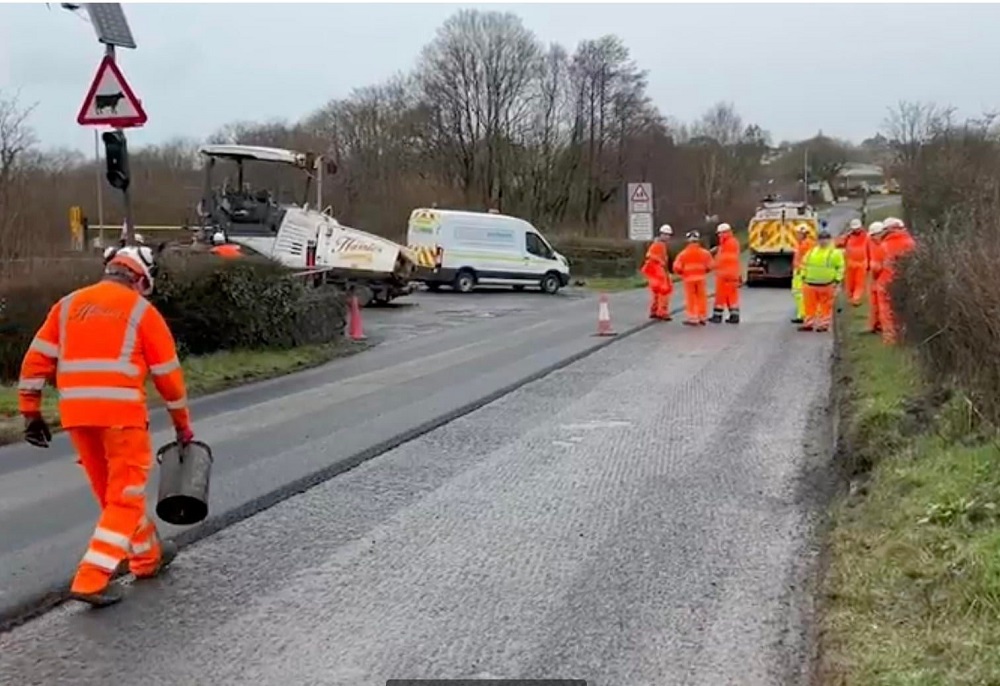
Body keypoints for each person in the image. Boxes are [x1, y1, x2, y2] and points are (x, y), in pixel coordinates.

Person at [17, 245, 195, 607]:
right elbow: (169, 379)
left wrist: (30, 411)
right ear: (140, 279)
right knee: (125, 498)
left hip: (77, 418)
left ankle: (147, 557)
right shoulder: (141, 311)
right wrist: (182, 425)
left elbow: (36, 360)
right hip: (121, 419)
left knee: (114, 497)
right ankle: (91, 578)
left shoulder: (67, 306)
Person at [875, 217, 916, 345]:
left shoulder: (883, 246)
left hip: (886, 282)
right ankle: (907, 336)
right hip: (907, 281)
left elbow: (876, 268)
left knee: (886, 311)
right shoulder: (911, 243)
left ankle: (890, 339)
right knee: (905, 310)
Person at [798, 227, 845, 333]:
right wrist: (803, 277)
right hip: (810, 284)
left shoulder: (835, 253)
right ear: (817, 240)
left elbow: (841, 267)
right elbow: (804, 265)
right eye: (821, 239)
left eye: (825, 239)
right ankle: (809, 324)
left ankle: (823, 324)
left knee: (826, 306)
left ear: (830, 240)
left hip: (827, 285)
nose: (823, 241)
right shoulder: (811, 252)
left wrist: (837, 280)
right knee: (809, 306)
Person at [672, 230, 714, 326]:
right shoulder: (705, 253)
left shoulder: (683, 254)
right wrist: (705, 271)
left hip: (688, 279)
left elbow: (676, 267)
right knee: (701, 298)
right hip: (701, 278)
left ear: (688, 241)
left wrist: (682, 273)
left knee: (691, 298)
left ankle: (693, 317)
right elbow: (711, 266)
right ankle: (702, 316)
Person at [709, 222, 741, 324]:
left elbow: (721, 260)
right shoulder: (734, 242)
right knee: (732, 296)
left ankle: (717, 316)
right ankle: (734, 316)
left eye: (720, 233)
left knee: (720, 295)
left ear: (724, 233)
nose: (719, 235)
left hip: (723, 274)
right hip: (733, 274)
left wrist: (711, 265)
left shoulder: (725, 245)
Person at [641, 225, 674, 320]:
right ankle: (662, 312)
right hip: (657, 271)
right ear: (662, 234)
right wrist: (661, 263)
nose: (668, 237)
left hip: (655, 271)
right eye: (666, 235)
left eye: (669, 235)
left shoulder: (659, 244)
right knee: (664, 291)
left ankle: (654, 310)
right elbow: (650, 256)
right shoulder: (658, 245)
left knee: (657, 292)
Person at [836, 219, 870, 307]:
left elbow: (870, 249)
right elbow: (837, 243)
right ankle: (851, 297)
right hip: (849, 263)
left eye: (857, 228)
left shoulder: (867, 236)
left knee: (859, 282)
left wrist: (869, 262)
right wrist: (845, 236)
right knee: (849, 283)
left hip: (862, 263)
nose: (856, 230)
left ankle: (856, 298)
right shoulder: (848, 236)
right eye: (854, 229)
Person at [790, 224, 815, 324]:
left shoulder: (807, 244)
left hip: (803, 272)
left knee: (801, 294)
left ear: (803, 234)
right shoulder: (800, 244)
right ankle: (802, 314)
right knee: (797, 293)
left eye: (798, 233)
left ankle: (804, 314)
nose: (797, 235)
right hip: (798, 271)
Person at [865, 221, 885, 334]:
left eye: (874, 235)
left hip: (884, 274)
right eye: (872, 236)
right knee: (874, 301)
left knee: (882, 302)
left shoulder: (885, 244)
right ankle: (874, 324)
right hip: (874, 274)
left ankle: (881, 325)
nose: (873, 237)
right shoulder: (870, 241)